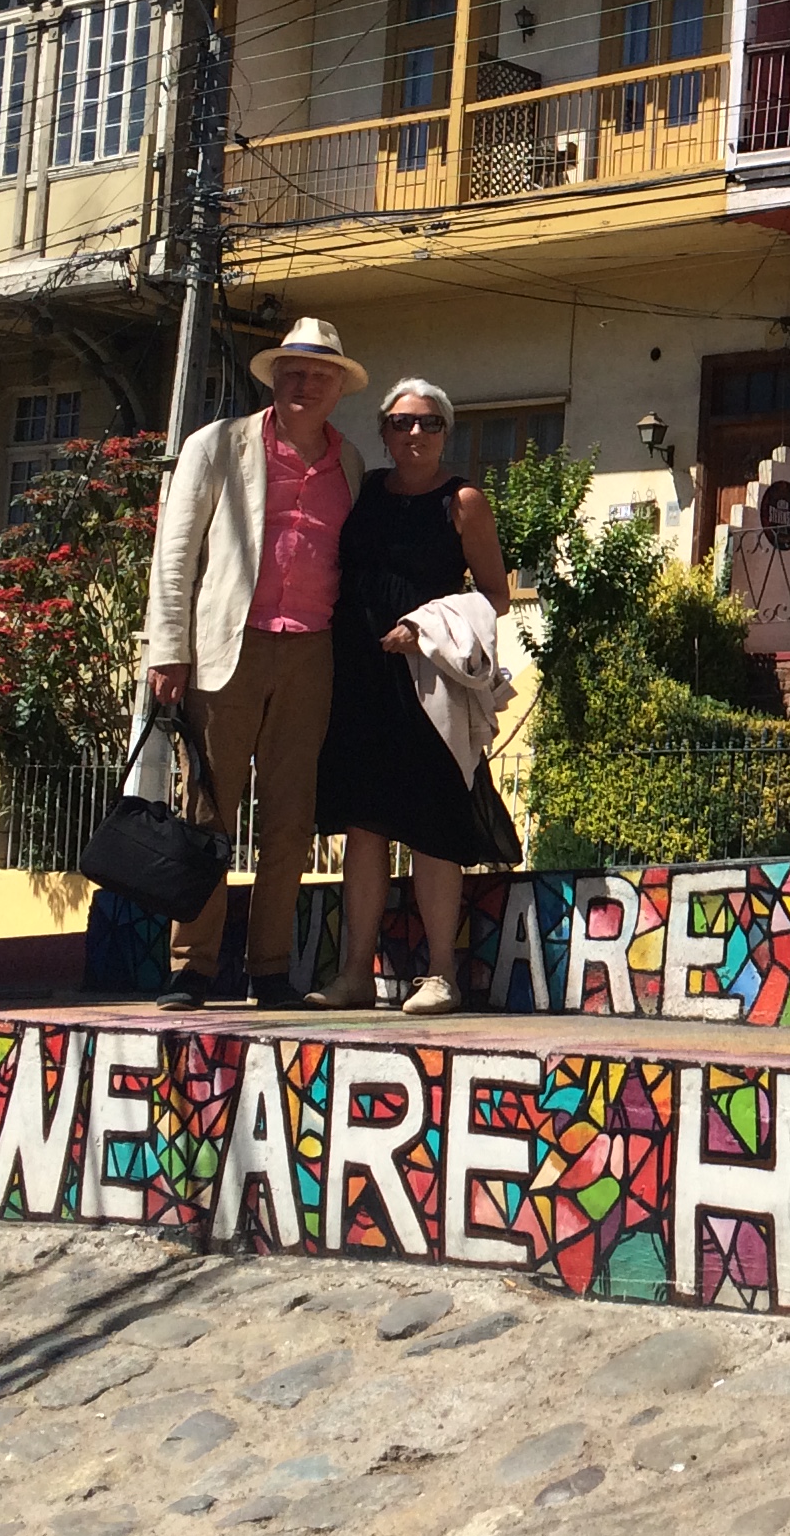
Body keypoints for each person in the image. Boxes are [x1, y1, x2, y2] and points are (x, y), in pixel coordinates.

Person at [140, 318, 366, 1009]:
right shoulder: (220, 444)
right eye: (293, 372)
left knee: (292, 820)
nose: (305, 384)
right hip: (226, 647)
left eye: (320, 375)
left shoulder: (351, 463)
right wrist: (168, 647)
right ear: (273, 379)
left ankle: (270, 968)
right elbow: (175, 552)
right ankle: (192, 967)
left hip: (312, 650)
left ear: (338, 388)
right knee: (208, 811)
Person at [310, 378, 519, 1016]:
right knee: (364, 826)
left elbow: (496, 595)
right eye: (402, 422)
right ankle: (354, 974)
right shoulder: (367, 490)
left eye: (429, 422)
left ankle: (441, 975)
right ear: (384, 432)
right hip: (359, 678)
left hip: (428, 686)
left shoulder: (463, 502)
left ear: (445, 432)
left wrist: (425, 627)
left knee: (432, 825)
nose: (415, 433)